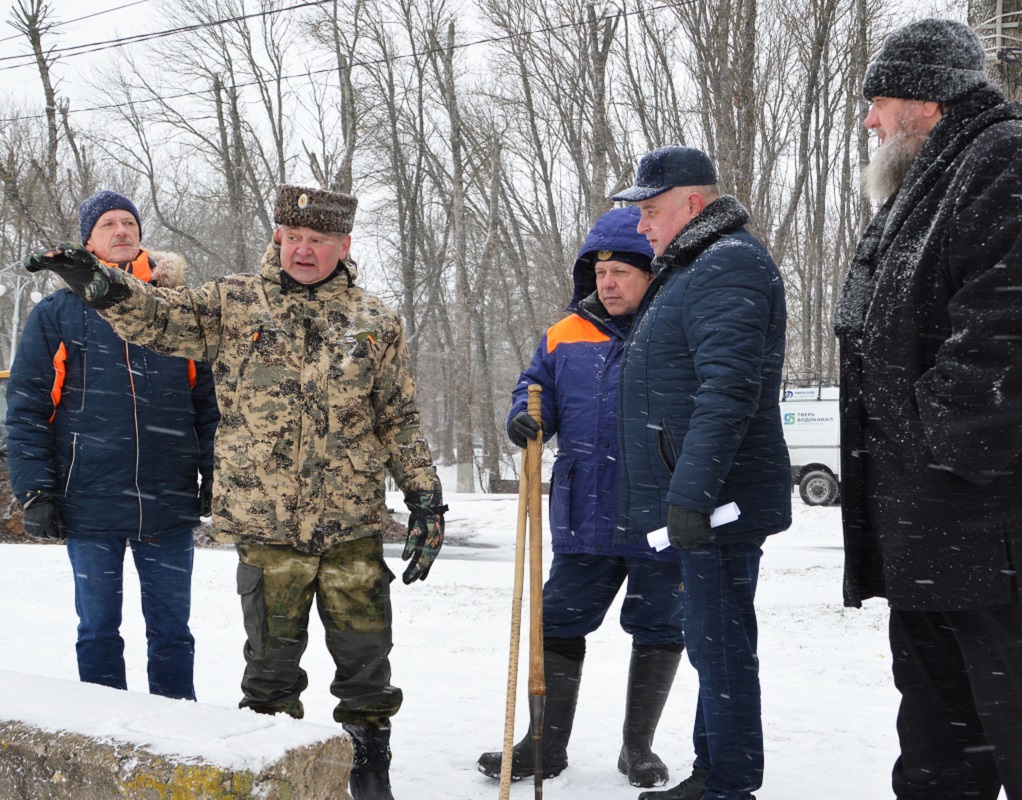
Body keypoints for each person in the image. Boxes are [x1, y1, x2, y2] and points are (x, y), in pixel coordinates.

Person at [24, 184, 447, 800]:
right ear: (279, 237)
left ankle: (368, 766)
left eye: (318, 240)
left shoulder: (375, 319)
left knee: (366, 660)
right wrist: (101, 284)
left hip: (350, 523)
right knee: (270, 671)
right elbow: (159, 317)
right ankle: (274, 774)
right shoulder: (234, 302)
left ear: (344, 245)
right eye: (294, 237)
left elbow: (398, 418)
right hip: (267, 525)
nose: (304, 250)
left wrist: (425, 495)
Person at [834, 18, 1022, 800]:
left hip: (1001, 539)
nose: (870, 120)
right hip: (936, 537)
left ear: (928, 101)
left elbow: (1020, 337)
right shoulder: (927, 183)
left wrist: (940, 453)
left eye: (880, 101)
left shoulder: (1013, 166)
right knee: (938, 755)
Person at [476, 207, 685, 788]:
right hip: (584, 515)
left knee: (661, 626)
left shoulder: (677, 325)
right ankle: (544, 744)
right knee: (558, 623)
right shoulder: (566, 334)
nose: (608, 283)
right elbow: (533, 387)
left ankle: (636, 748)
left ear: (652, 271)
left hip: (661, 517)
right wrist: (523, 415)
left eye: (621, 271)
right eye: (599, 272)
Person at [612, 147, 791, 800]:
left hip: (719, 503)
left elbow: (728, 389)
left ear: (693, 204)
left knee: (721, 647)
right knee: (714, 641)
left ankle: (730, 784)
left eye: (651, 210)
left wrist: (690, 495)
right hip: (705, 499)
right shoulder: (697, 265)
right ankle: (713, 772)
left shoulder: (728, 263)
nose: (641, 226)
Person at [5, 190, 218, 702]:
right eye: (108, 225)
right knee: (98, 631)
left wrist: (215, 474)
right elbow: (28, 410)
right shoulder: (58, 313)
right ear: (88, 240)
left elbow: (210, 406)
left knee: (172, 633)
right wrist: (36, 491)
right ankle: (109, 738)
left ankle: (177, 736)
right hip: (89, 503)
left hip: (167, 503)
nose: (121, 231)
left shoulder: (177, 308)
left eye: (129, 222)